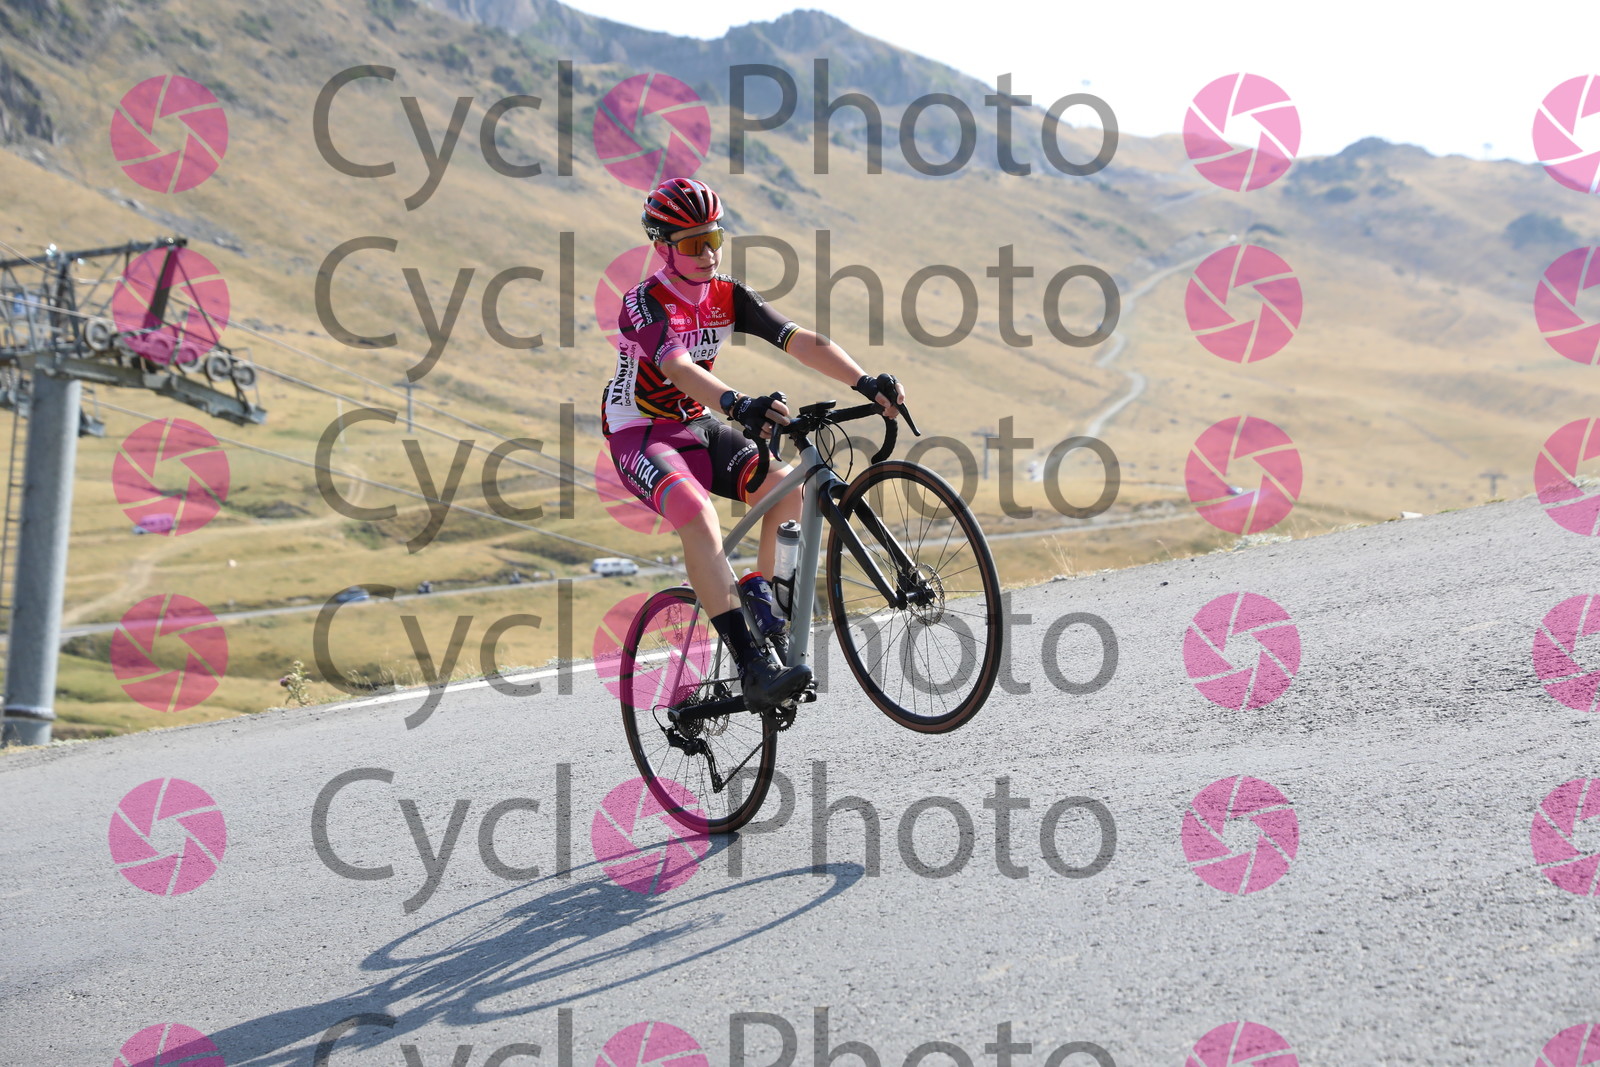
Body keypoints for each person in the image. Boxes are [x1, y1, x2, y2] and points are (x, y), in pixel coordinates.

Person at [601, 177, 905, 713]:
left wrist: (864, 382)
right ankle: (752, 665)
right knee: (696, 514)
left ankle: (766, 616)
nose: (708, 254)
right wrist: (737, 403)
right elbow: (678, 367)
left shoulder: (728, 294)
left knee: (787, 489)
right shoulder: (644, 302)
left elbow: (799, 339)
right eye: (694, 244)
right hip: (640, 431)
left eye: (715, 239)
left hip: (696, 423)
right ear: (663, 247)